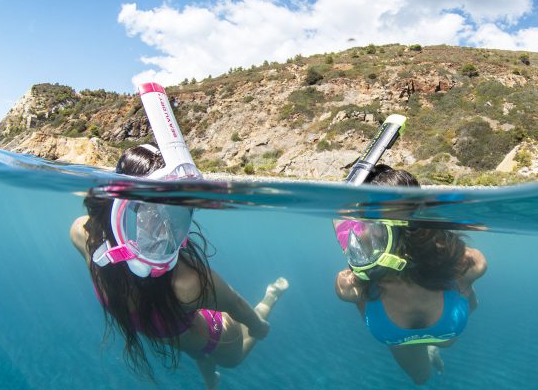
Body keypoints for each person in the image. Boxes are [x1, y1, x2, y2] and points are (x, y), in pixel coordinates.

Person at [70, 145, 288, 389]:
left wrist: (259, 327)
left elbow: (237, 307)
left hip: (216, 335)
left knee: (233, 359)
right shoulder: (85, 236)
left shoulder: (188, 282)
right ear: (119, 208)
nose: (157, 225)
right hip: (189, 335)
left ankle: (271, 296)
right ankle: (211, 379)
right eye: (144, 211)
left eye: (172, 212)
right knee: (198, 353)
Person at [334, 164, 487, 385]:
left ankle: (433, 348)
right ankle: (432, 350)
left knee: (441, 347)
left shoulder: (352, 287)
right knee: (422, 377)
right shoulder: (353, 284)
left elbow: (344, 222)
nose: (362, 232)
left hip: (435, 334)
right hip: (443, 329)